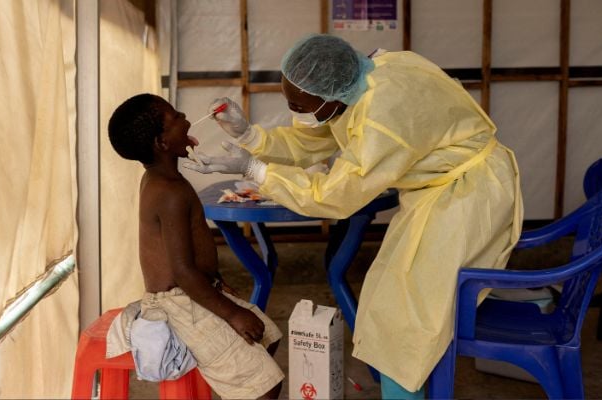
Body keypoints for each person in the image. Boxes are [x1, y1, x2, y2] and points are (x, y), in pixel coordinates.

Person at [183, 34, 524, 398]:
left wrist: (256, 170)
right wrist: (251, 136)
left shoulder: (383, 115)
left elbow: (336, 196)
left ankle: (408, 389)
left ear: (330, 96)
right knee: (388, 305)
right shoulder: (366, 77)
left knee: (410, 320)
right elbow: (314, 138)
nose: (294, 110)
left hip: (467, 197)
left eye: (298, 103)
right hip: (441, 192)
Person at [107, 93, 284, 399]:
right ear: (162, 143)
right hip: (180, 303)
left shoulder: (161, 179)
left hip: (193, 289)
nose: (185, 115)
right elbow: (183, 271)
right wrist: (232, 314)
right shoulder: (170, 192)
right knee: (266, 388)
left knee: (267, 336)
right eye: (176, 116)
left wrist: (217, 284)